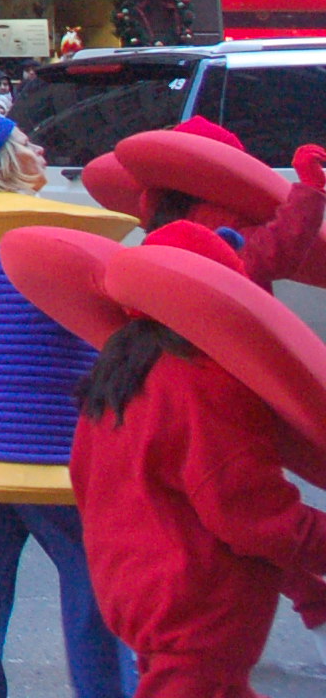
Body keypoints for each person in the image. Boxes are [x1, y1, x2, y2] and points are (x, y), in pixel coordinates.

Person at [0, 114, 132, 698]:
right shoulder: (53, 232)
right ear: (4, 161)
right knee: (96, 573)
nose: (38, 148)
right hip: (46, 444)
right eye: (24, 142)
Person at [70, 224, 326, 698]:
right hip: (200, 607)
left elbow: (88, 483)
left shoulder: (118, 375)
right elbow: (254, 516)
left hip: (138, 592)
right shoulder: (205, 381)